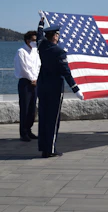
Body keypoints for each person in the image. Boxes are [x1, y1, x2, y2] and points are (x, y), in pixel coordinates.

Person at [36, 22, 84, 158]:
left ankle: (44, 148)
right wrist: (76, 90)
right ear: (55, 36)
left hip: (42, 87)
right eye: (58, 34)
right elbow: (66, 73)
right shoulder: (59, 52)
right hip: (54, 89)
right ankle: (50, 149)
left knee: (44, 118)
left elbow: (39, 36)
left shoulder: (42, 47)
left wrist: (41, 24)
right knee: (53, 119)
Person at [13, 30, 41, 142]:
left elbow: (38, 65)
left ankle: (29, 129)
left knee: (32, 108)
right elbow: (23, 68)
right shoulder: (21, 52)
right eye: (33, 40)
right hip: (25, 82)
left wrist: (36, 78)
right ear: (27, 41)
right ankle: (23, 132)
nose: (35, 42)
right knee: (24, 108)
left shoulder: (35, 51)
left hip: (35, 82)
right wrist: (31, 78)